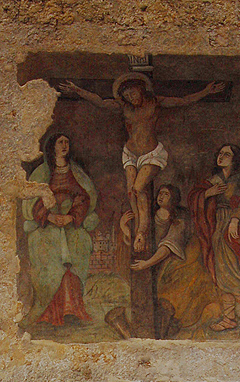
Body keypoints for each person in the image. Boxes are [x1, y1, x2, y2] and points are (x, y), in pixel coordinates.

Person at [60, 73, 224, 254]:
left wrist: (206, 91)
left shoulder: (155, 102)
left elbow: (182, 100)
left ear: (141, 89)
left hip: (151, 154)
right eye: (128, 95)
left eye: (134, 92)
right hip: (130, 153)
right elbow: (99, 101)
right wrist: (77, 90)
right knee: (131, 193)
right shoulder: (124, 107)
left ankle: (141, 232)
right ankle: (138, 227)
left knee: (138, 190)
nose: (132, 97)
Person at [188, 143, 240, 332]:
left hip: (236, 230)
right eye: (220, 153)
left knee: (236, 272)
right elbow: (194, 197)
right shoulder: (213, 181)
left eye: (226, 154)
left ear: (235, 159)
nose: (221, 157)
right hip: (217, 228)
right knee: (222, 274)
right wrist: (208, 193)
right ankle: (230, 318)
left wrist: (235, 218)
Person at [21, 132, 98, 327]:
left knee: (79, 243)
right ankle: (47, 310)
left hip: (71, 224)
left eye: (67, 142)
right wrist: (49, 216)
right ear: (52, 147)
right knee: (46, 252)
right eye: (60, 142)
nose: (64, 145)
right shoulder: (42, 173)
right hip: (47, 225)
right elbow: (32, 203)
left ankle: (73, 309)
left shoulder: (76, 172)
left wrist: (71, 216)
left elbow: (84, 197)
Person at [127, 184, 218, 333]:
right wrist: (124, 227)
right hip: (157, 259)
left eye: (166, 194)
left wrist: (147, 264)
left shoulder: (180, 219)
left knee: (173, 289)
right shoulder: (149, 216)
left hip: (179, 259)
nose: (161, 197)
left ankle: (172, 324)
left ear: (174, 199)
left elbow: (169, 246)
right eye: (160, 193)